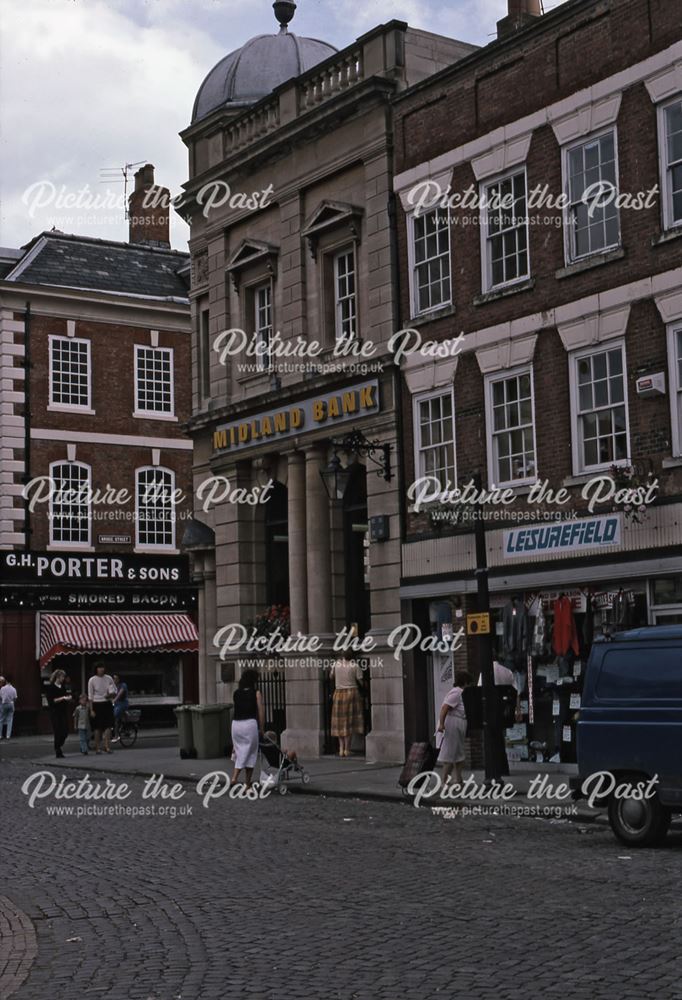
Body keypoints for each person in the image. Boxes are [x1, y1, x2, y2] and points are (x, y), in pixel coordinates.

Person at [477, 660, 519, 777]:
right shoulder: (507, 671)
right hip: (503, 709)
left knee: (491, 738)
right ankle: (503, 767)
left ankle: (494, 766)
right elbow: (516, 691)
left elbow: (479, 690)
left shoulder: (484, 673)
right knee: (500, 737)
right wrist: (517, 709)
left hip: (490, 709)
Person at [437, 670, 473, 785]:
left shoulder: (462, 693)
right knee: (449, 754)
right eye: (469, 683)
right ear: (465, 682)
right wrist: (442, 725)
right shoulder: (456, 693)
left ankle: (458, 779)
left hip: (459, 724)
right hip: (452, 725)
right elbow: (444, 708)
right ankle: (444, 782)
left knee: (458, 754)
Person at [231, 668, 264, 788]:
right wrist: (262, 728)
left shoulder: (236, 693)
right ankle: (246, 783)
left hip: (236, 725)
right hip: (249, 724)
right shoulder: (256, 693)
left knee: (240, 752)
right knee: (250, 754)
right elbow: (260, 712)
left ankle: (234, 777)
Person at [330, 652, 364, 758]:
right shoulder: (355, 665)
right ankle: (347, 749)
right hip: (351, 693)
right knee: (349, 721)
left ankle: (341, 748)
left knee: (339, 722)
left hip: (338, 693)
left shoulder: (336, 664)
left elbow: (331, 676)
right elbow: (360, 680)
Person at [87, 663, 117, 754]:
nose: (101, 669)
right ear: (96, 669)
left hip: (107, 703)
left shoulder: (108, 678)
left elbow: (114, 691)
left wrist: (110, 695)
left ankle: (107, 746)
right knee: (97, 727)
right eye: (99, 668)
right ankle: (97, 747)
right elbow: (90, 696)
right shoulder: (92, 680)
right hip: (97, 704)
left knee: (108, 726)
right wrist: (91, 709)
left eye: (102, 668)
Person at [46, 668, 72, 757]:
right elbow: (52, 701)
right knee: (58, 731)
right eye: (62, 677)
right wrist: (63, 698)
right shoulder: (51, 687)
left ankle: (58, 745)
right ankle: (58, 750)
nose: (63, 679)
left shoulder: (63, 687)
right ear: (57, 677)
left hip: (63, 711)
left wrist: (68, 698)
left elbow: (65, 697)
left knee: (65, 731)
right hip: (54, 712)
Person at [111, 674, 129, 743]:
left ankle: (116, 735)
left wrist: (114, 700)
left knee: (115, 716)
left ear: (119, 679)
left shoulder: (123, 685)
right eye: (113, 679)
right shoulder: (113, 686)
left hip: (122, 704)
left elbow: (119, 694)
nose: (114, 680)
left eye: (115, 679)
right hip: (116, 704)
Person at [0, 675, 18, 740]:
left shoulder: (2, 688)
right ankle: (8, 736)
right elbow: (15, 698)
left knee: (1, 720)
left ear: (6, 681)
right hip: (11, 704)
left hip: (4, 704)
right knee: (10, 720)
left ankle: (0, 735)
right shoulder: (13, 689)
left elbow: (1, 697)